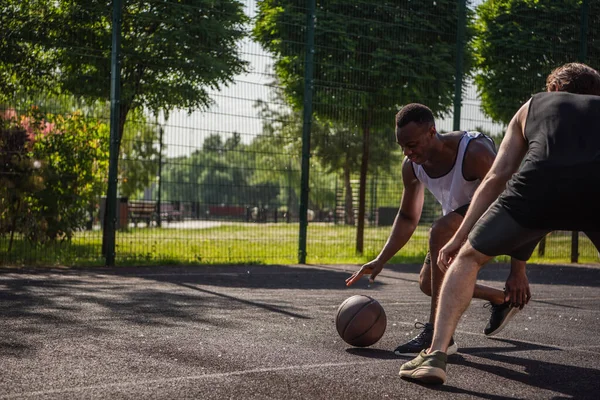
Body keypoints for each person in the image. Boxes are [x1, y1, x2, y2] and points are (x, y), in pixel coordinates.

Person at [399, 62, 600, 384]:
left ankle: (436, 354)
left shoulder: (534, 104)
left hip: (540, 187)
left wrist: (459, 240)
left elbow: (497, 177)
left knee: (466, 260)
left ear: (556, 89)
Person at [346, 103, 529, 356]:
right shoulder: (411, 166)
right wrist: (381, 259)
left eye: (412, 145)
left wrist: (517, 271)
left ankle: (439, 335)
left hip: (496, 218)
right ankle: (501, 300)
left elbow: (515, 202)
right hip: (461, 222)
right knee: (429, 283)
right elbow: (408, 216)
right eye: (402, 146)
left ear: (432, 132)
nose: (407, 152)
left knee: (439, 231)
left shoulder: (474, 152)